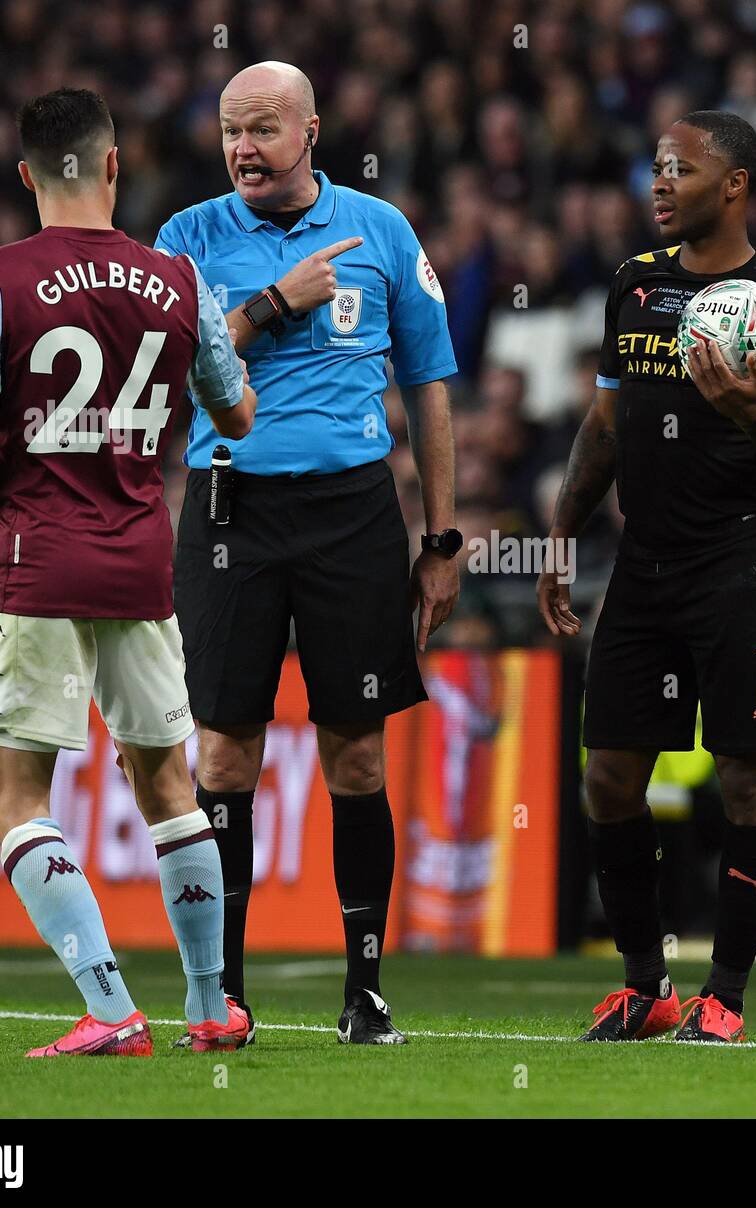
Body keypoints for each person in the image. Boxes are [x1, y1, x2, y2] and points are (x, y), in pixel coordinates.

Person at [0, 88, 257, 1056]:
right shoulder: (175, 276)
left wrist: (5, 523)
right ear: (113, 165)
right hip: (140, 556)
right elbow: (235, 414)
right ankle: (211, 1006)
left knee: (13, 796)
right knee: (168, 782)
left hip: (38, 556)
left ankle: (112, 1005)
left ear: (27, 173)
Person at [156, 62, 458, 1045]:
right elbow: (168, 374)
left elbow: (430, 385)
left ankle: (364, 990)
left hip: (353, 513)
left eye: (261, 128)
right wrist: (272, 305)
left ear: (311, 129)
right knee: (223, 752)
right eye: (230, 130)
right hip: (228, 509)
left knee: (358, 755)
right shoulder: (186, 239)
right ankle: (223, 992)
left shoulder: (382, 232)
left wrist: (442, 537)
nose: (242, 147)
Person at [538, 111, 756, 1044]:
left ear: (735, 185)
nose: (659, 184)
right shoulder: (635, 286)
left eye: (681, 169)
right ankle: (646, 986)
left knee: (747, 780)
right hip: (644, 564)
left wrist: (751, 412)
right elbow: (606, 424)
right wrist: (560, 528)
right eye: (655, 167)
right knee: (609, 778)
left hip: (741, 566)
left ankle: (727, 996)